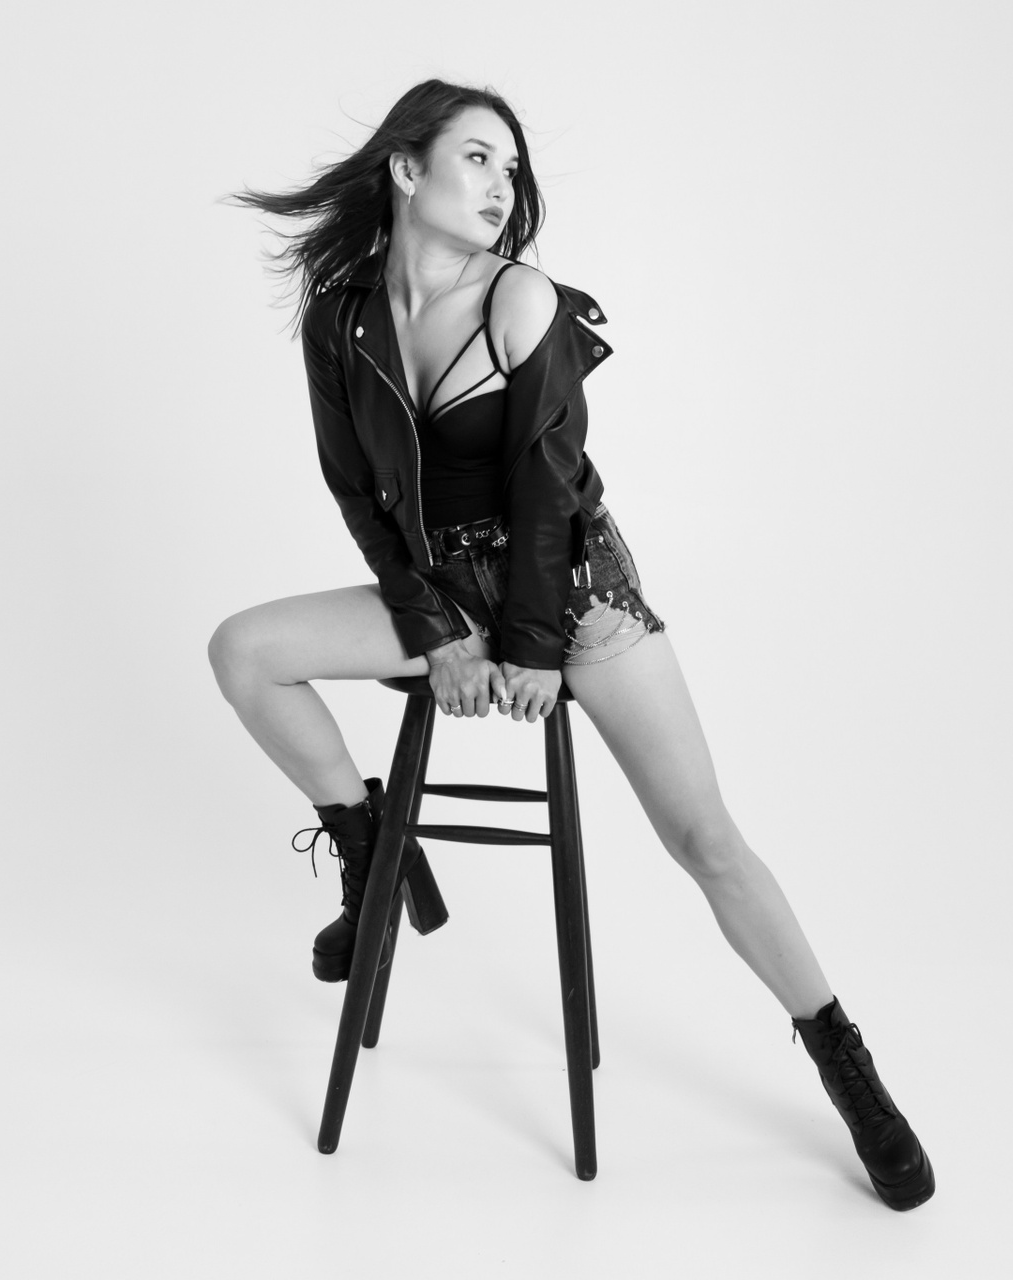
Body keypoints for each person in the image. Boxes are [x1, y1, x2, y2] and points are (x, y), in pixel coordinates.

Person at [210, 79, 934, 1211]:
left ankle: (849, 1068)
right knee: (243, 650)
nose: (502, 186)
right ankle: (373, 854)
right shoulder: (340, 319)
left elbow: (548, 496)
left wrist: (535, 649)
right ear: (406, 168)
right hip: (446, 597)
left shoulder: (521, 299)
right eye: (477, 158)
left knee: (706, 838)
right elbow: (360, 497)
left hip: (575, 595)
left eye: (512, 168)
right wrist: (439, 634)